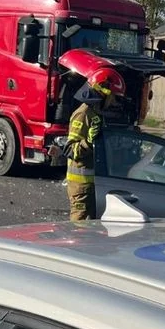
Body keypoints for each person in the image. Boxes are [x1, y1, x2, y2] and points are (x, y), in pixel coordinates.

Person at [64, 67, 124, 221]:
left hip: (93, 185)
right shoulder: (83, 114)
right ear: (103, 93)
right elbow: (70, 150)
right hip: (81, 186)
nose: (114, 102)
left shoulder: (96, 114)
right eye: (114, 97)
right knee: (80, 228)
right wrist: (89, 142)